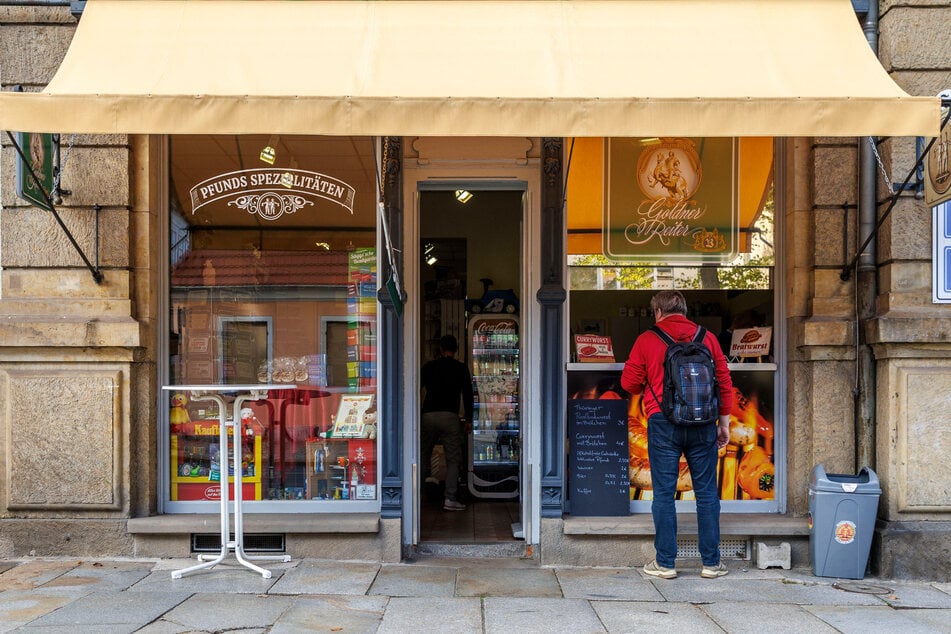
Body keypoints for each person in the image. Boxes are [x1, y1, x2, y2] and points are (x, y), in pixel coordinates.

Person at [621, 290, 733, 579]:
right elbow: (724, 381)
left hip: (663, 423)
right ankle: (711, 563)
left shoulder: (647, 339)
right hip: (703, 422)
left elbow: (629, 383)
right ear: (684, 310)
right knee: (707, 493)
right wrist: (724, 424)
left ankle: (665, 563)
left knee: (663, 494)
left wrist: (649, 383)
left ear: (658, 312)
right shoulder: (707, 338)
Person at [421, 334, 474, 511]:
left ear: (440, 349)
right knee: (453, 459)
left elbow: (415, 388)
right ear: (456, 349)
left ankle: (418, 495)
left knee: (423, 455)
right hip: (450, 416)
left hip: (428, 415)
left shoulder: (429, 367)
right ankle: (450, 499)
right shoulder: (460, 368)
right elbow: (468, 394)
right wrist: (468, 419)